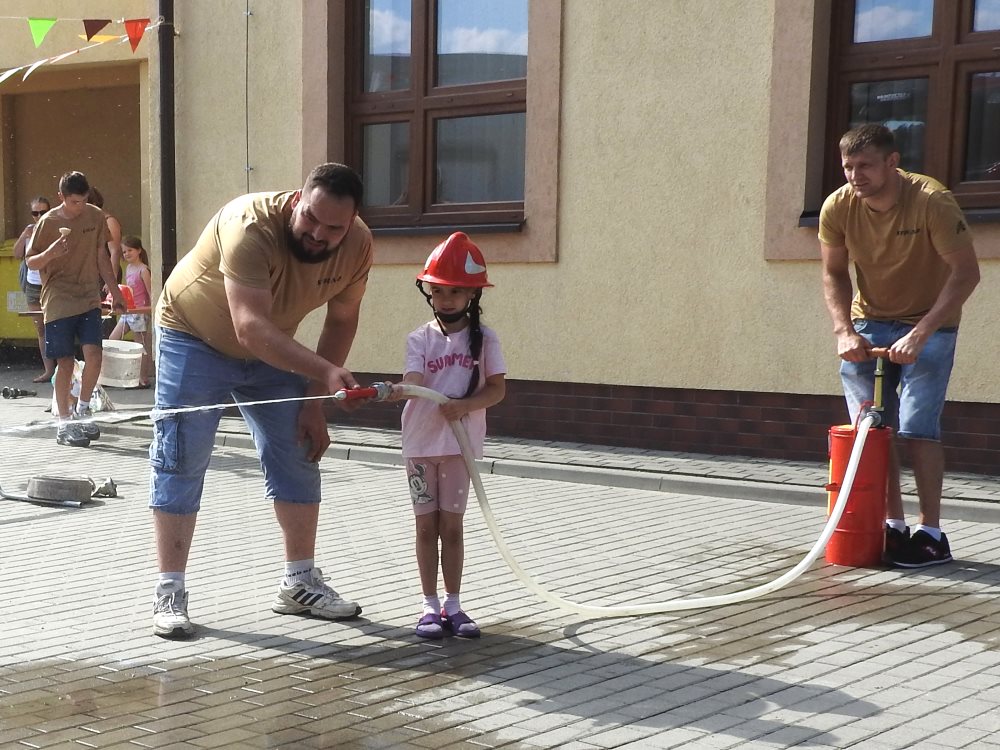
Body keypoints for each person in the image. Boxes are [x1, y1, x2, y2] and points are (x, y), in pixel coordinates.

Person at [149, 162, 374, 639]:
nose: (319, 234)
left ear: (352, 221)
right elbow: (249, 327)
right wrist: (324, 372)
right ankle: (170, 589)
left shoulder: (358, 245)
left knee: (299, 451)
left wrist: (314, 402)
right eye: (311, 218)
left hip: (273, 348)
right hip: (193, 336)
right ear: (297, 200)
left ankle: (299, 583)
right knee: (181, 457)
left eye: (334, 228)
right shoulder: (249, 224)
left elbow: (342, 319)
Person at [819, 123, 980, 568]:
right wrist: (843, 330)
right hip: (868, 322)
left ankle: (932, 534)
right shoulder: (839, 206)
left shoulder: (931, 201)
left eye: (865, 165)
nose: (856, 176)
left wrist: (921, 333)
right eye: (849, 166)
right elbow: (833, 273)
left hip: (929, 324)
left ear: (892, 162)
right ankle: (892, 523)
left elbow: (966, 273)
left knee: (917, 428)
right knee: (873, 431)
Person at [386, 232, 506, 639]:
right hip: (420, 445)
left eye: (456, 291)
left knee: (451, 527)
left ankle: (453, 606)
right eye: (439, 291)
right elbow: (415, 379)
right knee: (425, 527)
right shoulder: (419, 338)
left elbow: (497, 389)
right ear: (429, 293)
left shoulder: (485, 339)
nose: (447, 299)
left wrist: (465, 405)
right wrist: (400, 389)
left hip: (459, 447)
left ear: (472, 293)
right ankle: (428, 606)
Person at [25, 172, 126, 448]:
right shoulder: (47, 222)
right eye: (73, 202)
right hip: (58, 298)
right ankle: (64, 423)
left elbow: (102, 256)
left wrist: (115, 292)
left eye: (82, 201)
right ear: (61, 197)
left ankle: (83, 408)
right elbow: (31, 261)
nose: (79, 207)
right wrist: (50, 253)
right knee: (66, 363)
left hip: (89, 296)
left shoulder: (96, 216)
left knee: (95, 355)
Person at [12, 196, 55, 383]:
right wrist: (24, 235)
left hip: (51, 284)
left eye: (42, 212)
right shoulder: (30, 230)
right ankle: (48, 370)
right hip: (33, 284)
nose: (38, 216)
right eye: (34, 213)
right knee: (41, 329)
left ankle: (64, 369)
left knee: (57, 326)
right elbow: (16, 254)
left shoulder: (53, 228)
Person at [108, 235, 154, 387]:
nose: (127, 254)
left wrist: (148, 310)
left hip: (140, 312)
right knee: (113, 338)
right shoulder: (128, 268)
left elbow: (150, 294)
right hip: (128, 311)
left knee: (140, 345)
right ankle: (116, 374)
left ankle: (143, 378)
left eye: (130, 250)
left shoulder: (143, 270)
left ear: (139, 251)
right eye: (124, 251)